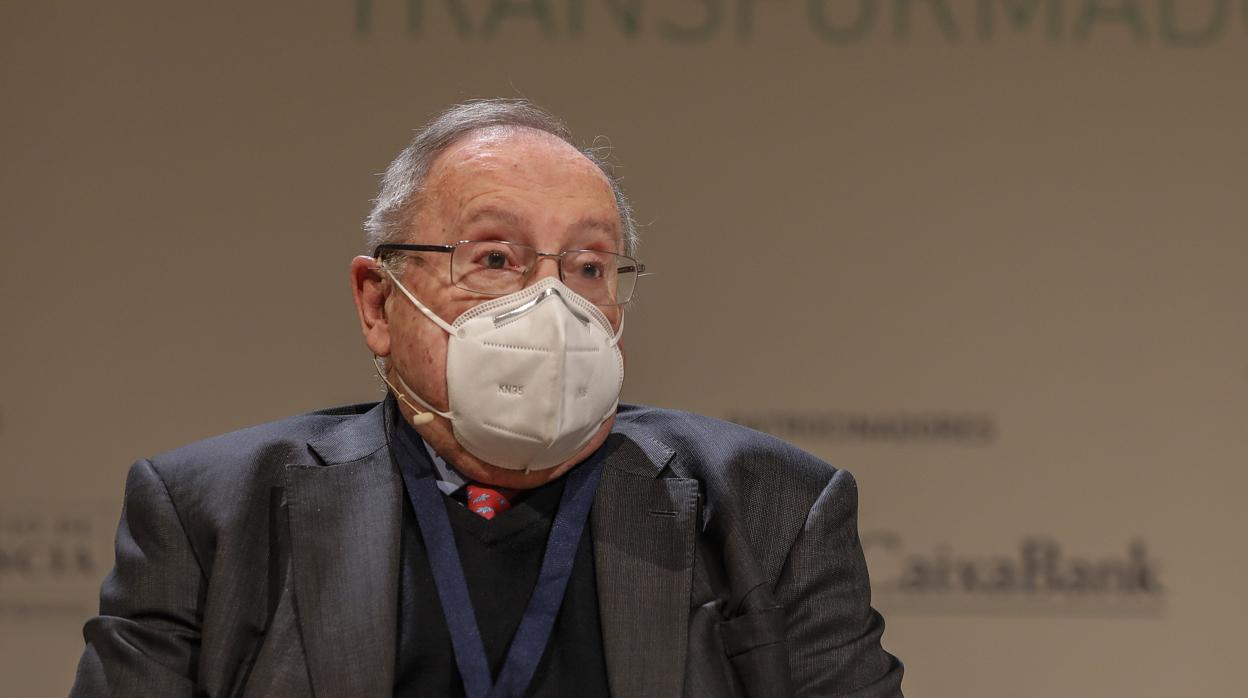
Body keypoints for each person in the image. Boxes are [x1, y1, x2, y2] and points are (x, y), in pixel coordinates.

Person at [71, 99, 903, 697]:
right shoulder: (213, 514)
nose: (553, 304)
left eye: (588, 268)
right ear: (378, 303)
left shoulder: (771, 507)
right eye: (497, 259)